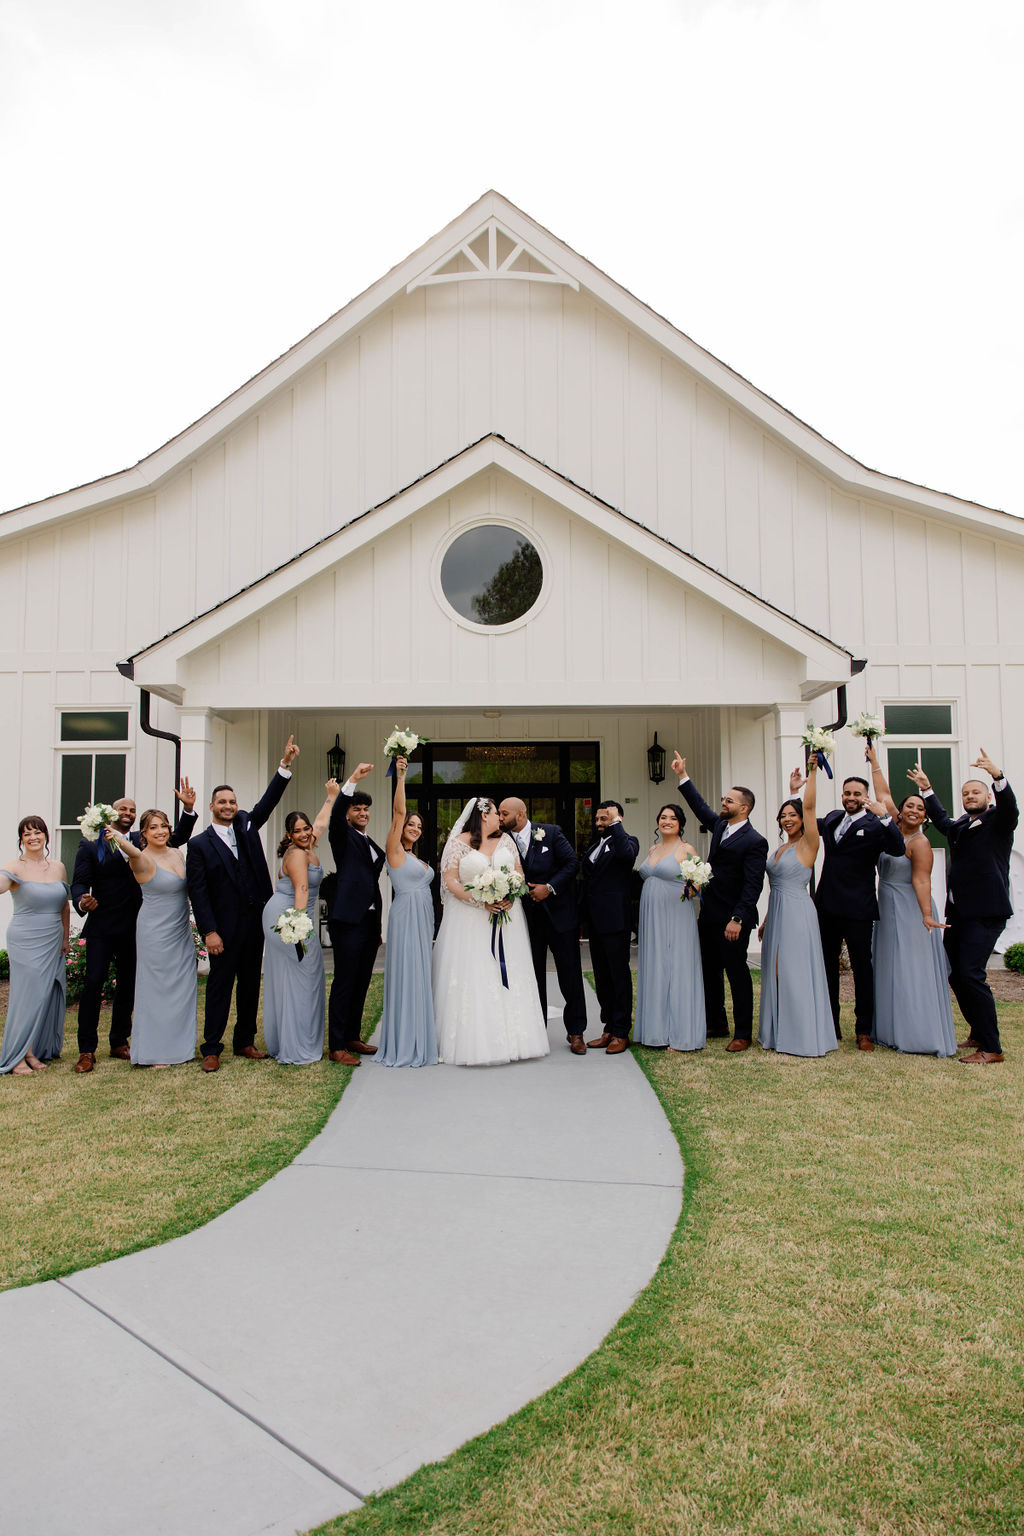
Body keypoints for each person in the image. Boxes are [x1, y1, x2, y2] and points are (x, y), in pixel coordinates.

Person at [186, 736, 300, 1072]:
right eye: (222, 801)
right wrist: (209, 931)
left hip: (254, 923)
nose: (228, 805)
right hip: (222, 928)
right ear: (212, 807)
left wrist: (285, 766)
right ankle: (211, 1047)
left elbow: (268, 802)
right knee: (220, 987)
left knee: (251, 984)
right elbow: (198, 892)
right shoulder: (199, 845)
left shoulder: (247, 824)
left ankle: (245, 1041)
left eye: (232, 801)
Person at [71, 783, 197, 1073]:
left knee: (129, 985)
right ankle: (87, 1049)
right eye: (122, 809)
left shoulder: (144, 839)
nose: (127, 812)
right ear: (111, 813)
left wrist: (188, 810)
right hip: (103, 923)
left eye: (132, 809)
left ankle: (119, 1041)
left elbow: (175, 837)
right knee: (94, 983)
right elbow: (80, 881)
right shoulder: (91, 843)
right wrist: (81, 900)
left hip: (136, 924)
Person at [908, 749, 1017, 1065]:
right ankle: (978, 1033)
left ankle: (992, 1048)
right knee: (955, 974)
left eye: (975, 792)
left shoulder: (998, 821)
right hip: (959, 913)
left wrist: (997, 776)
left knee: (971, 973)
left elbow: (1010, 807)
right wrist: (926, 790)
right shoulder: (959, 826)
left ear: (986, 797)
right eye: (966, 793)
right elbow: (941, 820)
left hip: (985, 912)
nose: (970, 796)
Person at [790, 766, 905, 1049]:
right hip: (827, 905)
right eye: (847, 792)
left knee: (862, 969)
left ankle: (864, 1029)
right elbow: (805, 818)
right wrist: (794, 792)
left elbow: (898, 848)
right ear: (842, 795)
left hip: (859, 908)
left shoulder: (877, 825)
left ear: (866, 797)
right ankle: (830, 1023)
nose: (851, 797)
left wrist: (886, 815)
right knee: (827, 966)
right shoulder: (832, 819)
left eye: (857, 793)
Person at [433, 797, 549, 1066]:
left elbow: (518, 873)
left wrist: (510, 893)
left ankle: (517, 1040)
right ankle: (475, 1041)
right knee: (476, 972)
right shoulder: (458, 842)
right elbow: (450, 881)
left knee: (509, 972)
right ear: (483, 815)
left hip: (508, 918)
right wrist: (480, 900)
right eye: (497, 812)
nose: (500, 817)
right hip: (470, 920)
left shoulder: (506, 840)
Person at [672, 751, 768, 1052]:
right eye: (724, 800)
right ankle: (716, 1021)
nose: (722, 804)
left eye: (728, 801)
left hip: (733, 919)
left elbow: (753, 884)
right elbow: (700, 809)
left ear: (744, 808)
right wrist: (682, 776)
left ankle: (742, 1032)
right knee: (709, 970)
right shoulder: (722, 828)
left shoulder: (755, 841)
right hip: (710, 913)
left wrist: (738, 919)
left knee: (737, 973)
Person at [864, 747, 956, 1057]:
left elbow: (922, 880)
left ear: (925, 816)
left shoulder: (921, 842)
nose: (915, 810)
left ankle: (917, 1032)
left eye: (921, 808)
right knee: (888, 965)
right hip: (886, 906)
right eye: (910, 806)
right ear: (900, 811)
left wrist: (927, 915)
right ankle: (889, 1029)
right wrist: (875, 762)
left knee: (910, 969)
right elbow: (883, 793)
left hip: (911, 908)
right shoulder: (892, 828)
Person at [757, 758, 836, 1057]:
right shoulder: (780, 848)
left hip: (798, 913)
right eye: (784, 815)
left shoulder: (808, 844)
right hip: (777, 913)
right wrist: (766, 920)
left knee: (793, 970)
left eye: (793, 815)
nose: (788, 819)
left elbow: (811, 808)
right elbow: (775, 887)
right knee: (776, 972)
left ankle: (801, 1035)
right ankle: (779, 1032)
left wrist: (812, 774)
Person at [105, 810, 197, 1067]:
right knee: (157, 989)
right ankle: (155, 1051)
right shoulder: (141, 859)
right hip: (155, 931)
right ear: (143, 833)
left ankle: (180, 1047)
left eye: (164, 826)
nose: (161, 831)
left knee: (181, 986)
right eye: (154, 827)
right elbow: (131, 851)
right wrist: (113, 834)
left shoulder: (178, 854)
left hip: (180, 929)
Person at [497, 798, 587, 1055]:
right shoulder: (503, 841)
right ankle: (537, 1032)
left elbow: (572, 864)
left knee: (569, 975)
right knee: (533, 977)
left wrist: (550, 888)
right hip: (528, 921)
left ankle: (576, 1031)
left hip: (561, 918)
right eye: (500, 814)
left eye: (505, 813)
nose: (501, 818)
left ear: (521, 814)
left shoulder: (552, 833)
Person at [262, 783, 341, 1066]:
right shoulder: (296, 854)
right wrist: (296, 931)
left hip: (298, 916)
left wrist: (331, 797)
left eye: (306, 828)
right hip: (289, 918)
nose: (306, 833)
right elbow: (302, 892)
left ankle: (295, 1036)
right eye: (298, 831)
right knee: (300, 977)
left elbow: (321, 822)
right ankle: (297, 1046)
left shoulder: (307, 843)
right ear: (289, 835)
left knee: (305, 977)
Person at [377, 757, 437, 1068]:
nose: (413, 828)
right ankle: (404, 1041)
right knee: (406, 973)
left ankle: (421, 1036)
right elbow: (399, 811)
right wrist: (402, 776)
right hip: (405, 917)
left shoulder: (417, 857)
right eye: (410, 824)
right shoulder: (394, 849)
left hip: (423, 920)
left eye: (418, 826)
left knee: (421, 974)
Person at [0, 816, 70, 1075]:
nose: (33, 837)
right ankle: (18, 1056)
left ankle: (33, 1050)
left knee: (44, 994)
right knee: (25, 997)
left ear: (45, 837)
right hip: (25, 937)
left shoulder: (58, 867)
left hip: (53, 937)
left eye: (37, 832)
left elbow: (64, 904)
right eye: (27, 833)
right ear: (21, 839)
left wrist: (65, 938)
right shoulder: (13, 868)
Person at [634, 804, 706, 1052]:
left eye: (672, 818)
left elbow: (700, 882)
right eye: (663, 817)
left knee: (676, 968)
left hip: (675, 915)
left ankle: (680, 1034)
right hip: (651, 917)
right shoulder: (653, 848)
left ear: (680, 823)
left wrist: (692, 888)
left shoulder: (686, 849)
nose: (667, 821)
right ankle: (655, 1031)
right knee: (656, 966)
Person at [326, 763, 386, 1062]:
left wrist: (376, 930)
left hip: (368, 923)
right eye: (357, 809)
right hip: (347, 921)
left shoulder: (368, 840)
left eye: (365, 809)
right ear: (348, 813)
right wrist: (351, 781)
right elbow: (336, 815)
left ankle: (352, 1037)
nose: (362, 813)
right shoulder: (341, 835)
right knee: (345, 981)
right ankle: (336, 1045)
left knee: (362, 980)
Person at [581, 800, 639, 1055]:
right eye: (597, 819)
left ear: (617, 819)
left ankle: (620, 1031)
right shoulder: (595, 846)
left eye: (604, 819)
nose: (598, 823)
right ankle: (607, 1027)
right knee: (602, 977)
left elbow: (627, 857)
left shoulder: (628, 842)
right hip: (595, 921)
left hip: (615, 921)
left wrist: (616, 824)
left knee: (618, 977)